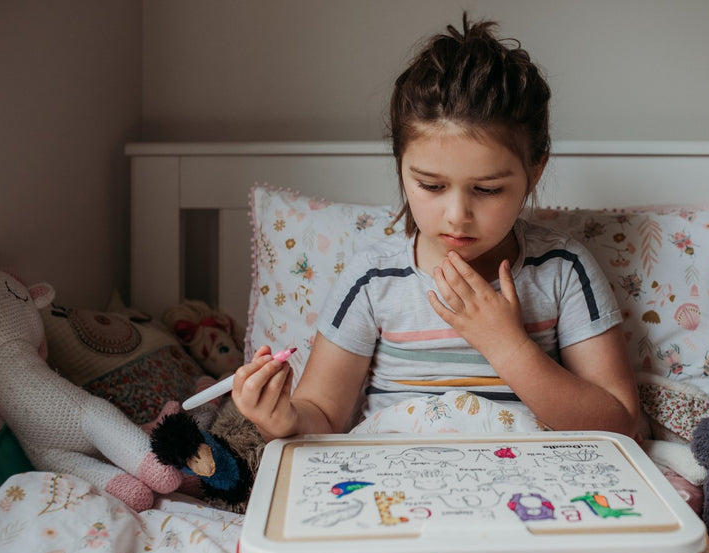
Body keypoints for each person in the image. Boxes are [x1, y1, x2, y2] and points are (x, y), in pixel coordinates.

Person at [231, 16, 639, 440]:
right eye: (430, 185)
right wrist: (283, 419)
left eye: (487, 189)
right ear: (401, 167)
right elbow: (322, 414)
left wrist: (506, 345)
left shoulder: (562, 269)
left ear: (534, 173)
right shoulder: (374, 279)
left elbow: (620, 423)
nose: (456, 214)